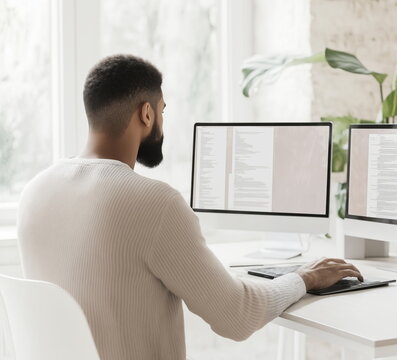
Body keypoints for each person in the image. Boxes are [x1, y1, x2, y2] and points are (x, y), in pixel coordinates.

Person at [17, 54, 363, 360]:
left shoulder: (34, 192)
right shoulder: (154, 202)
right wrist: (305, 277)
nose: (163, 123)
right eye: (163, 111)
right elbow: (237, 317)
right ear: (147, 113)